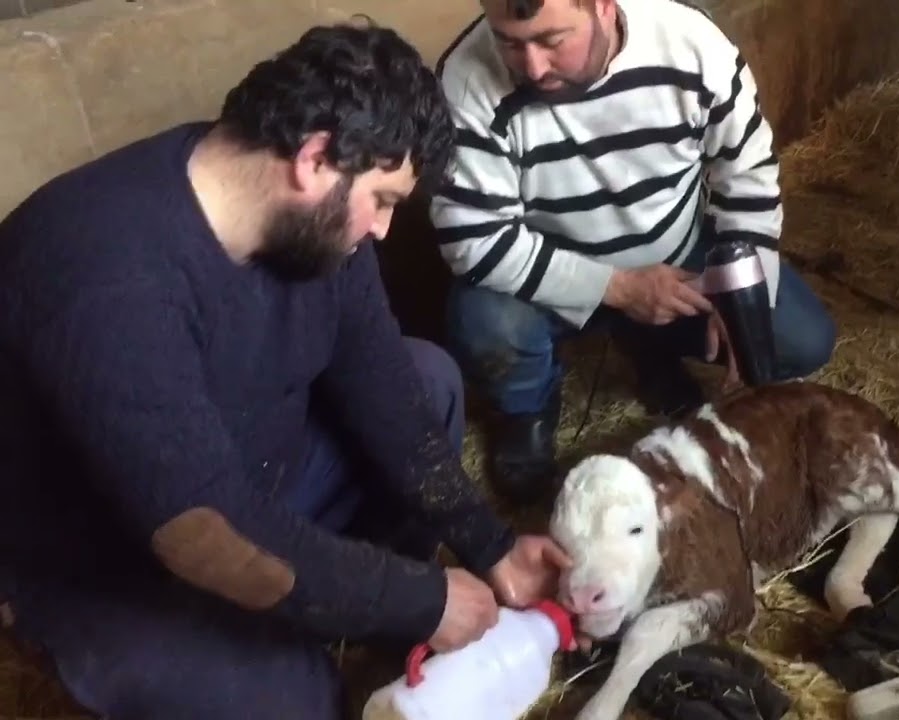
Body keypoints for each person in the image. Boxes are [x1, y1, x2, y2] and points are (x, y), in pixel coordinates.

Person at [0, 21, 571, 720]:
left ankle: (327, 608)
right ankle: (299, 631)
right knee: (297, 701)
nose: (384, 228)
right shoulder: (104, 274)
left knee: (429, 381)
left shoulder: (320, 230)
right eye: (384, 200)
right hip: (125, 558)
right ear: (315, 158)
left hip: (255, 476)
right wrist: (419, 601)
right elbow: (205, 533)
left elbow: (384, 385)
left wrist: (490, 545)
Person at [430, 0, 838, 505]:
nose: (532, 67)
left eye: (553, 40)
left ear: (604, 6)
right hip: (551, 274)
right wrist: (618, 288)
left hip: (677, 254)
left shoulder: (691, 42)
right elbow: (474, 240)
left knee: (802, 339)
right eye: (510, 41)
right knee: (486, 321)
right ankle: (525, 414)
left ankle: (653, 348)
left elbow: (747, 173)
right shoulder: (467, 79)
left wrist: (744, 294)